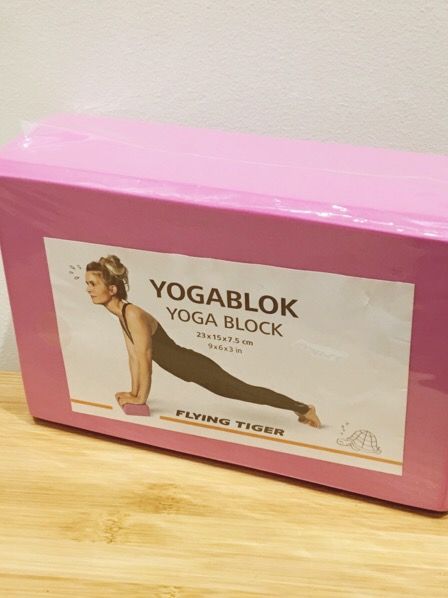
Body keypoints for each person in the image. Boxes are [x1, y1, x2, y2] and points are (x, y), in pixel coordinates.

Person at [85, 255, 321, 428]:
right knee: (244, 391)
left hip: (196, 367)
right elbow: (134, 357)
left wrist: (140, 399)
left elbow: (146, 360)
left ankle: (303, 408)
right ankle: (300, 408)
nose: (88, 289)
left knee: (246, 392)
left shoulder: (133, 314)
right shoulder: (122, 315)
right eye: (87, 284)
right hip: (188, 369)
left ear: (112, 289)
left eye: (93, 284)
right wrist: (133, 393)